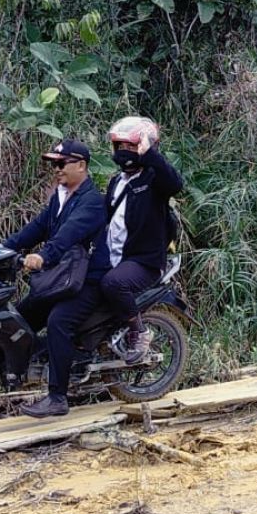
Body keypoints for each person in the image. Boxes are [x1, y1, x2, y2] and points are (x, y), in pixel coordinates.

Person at [3, 139, 105, 418]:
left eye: (61, 163)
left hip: (89, 279)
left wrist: (43, 257)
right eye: (53, 164)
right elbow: (35, 229)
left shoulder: (91, 202)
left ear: (81, 166)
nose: (56, 169)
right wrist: (3, 248)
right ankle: (32, 366)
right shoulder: (60, 198)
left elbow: (67, 235)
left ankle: (58, 397)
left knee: (58, 321)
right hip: (64, 278)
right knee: (21, 315)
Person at [92, 116, 184, 363]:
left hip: (144, 261)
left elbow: (175, 184)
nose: (124, 152)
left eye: (131, 146)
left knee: (113, 284)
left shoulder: (154, 180)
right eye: (120, 146)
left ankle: (139, 332)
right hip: (115, 256)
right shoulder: (116, 182)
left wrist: (149, 155)